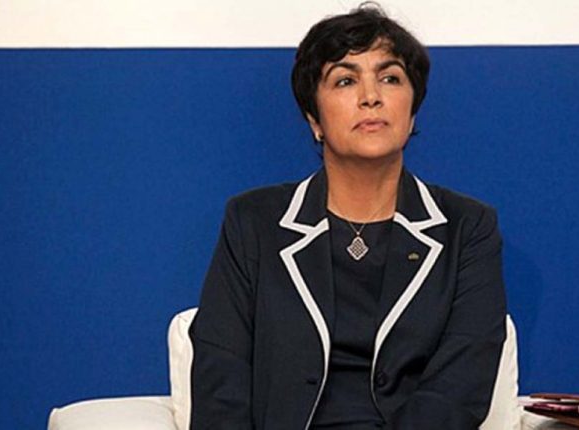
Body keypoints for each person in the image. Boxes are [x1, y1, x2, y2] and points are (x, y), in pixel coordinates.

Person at [189, 4, 507, 429]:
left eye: (390, 78)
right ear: (314, 119)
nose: (371, 97)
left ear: (412, 112)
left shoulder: (467, 228)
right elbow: (220, 382)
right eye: (345, 80)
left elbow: (459, 387)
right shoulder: (253, 222)